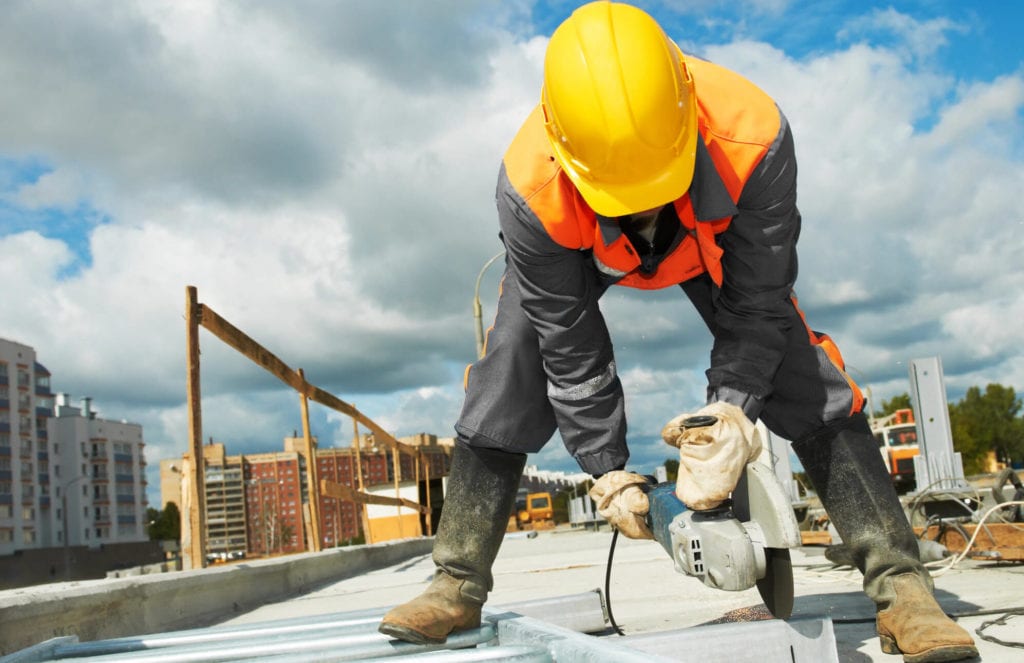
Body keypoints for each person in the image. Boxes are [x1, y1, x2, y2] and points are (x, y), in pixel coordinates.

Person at [379, 2, 978, 661]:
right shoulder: (531, 185)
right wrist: (607, 471)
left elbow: (756, 301)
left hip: (707, 240)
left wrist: (730, 412)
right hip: (578, 250)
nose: (643, 207)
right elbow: (570, 348)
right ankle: (456, 581)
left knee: (801, 368)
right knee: (512, 364)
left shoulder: (753, 133)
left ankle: (902, 587)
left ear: (687, 104)